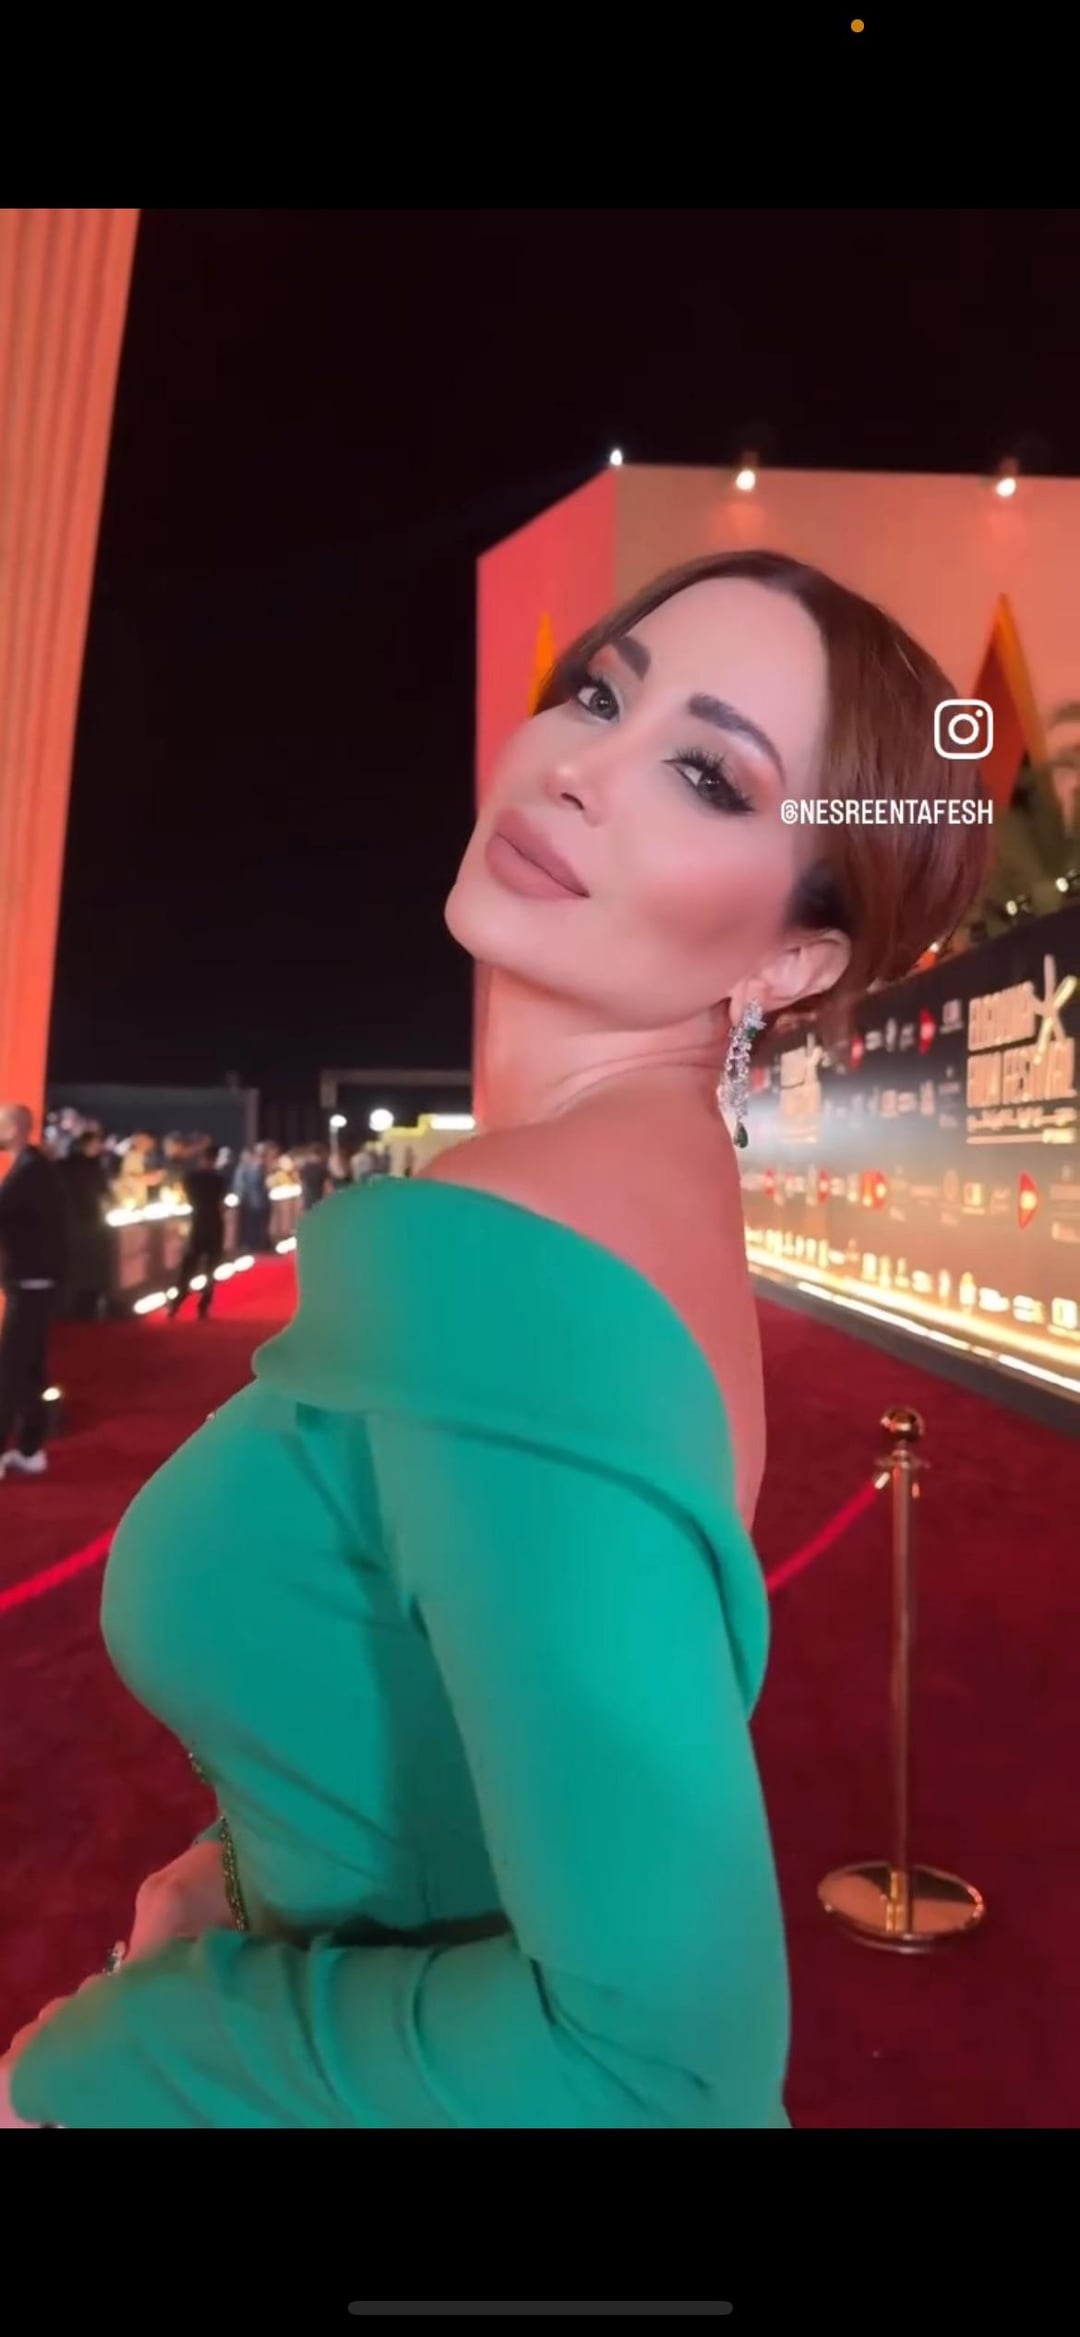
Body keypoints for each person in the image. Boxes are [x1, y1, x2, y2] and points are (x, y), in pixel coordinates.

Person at [1, 550, 990, 2128]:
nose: (582, 766)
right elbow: (436, 1703)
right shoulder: (625, 1194)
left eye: (707, 774)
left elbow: (662, 2071)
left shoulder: (528, 1236)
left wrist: (110, 2053)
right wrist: (241, 1867)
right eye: (600, 693)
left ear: (793, 958)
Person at [0, 1104, 68, 1482]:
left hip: (30, 1283)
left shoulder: (29, 1172)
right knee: (30, 1369)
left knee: (10, 1370)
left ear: (14, 1128)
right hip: (37, 1282)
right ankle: (30, 1449)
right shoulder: (34, 1168)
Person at [168, 1144, 227, 1320]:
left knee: (188, 1267)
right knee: (210, 1268)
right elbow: (221, 1203)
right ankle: (203, 1306)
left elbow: (188, 1198)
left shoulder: (190, 1178)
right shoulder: (219, 1180)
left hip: (198, 1224)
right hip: (215, 1225)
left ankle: (176, 1303)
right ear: (216, 1159)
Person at [56, 1128, 110, 1320]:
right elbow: (104, 1192)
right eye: (96, 1144)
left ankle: (73, 1305)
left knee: (76, 1265)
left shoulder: (64, 1165)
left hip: (74, 1220)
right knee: (88, 1265)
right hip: (88, 1220)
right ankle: (85, 1305)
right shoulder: (94, 1166)